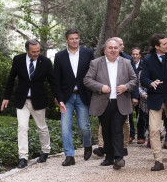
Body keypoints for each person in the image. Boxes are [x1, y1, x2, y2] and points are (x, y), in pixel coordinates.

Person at [1, 39, 66, 168]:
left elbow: (53, 82)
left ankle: (46, 151)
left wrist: (60, 99)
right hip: (22, 101)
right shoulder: (18, 59)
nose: (36, 54)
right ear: (26, 50)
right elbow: (11, 79)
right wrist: (6, 97)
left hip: (38, 100)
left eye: (38, 51)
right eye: (33, 52)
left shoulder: (46, 62)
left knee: (42, 127)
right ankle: (23, 157)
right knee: (22, 128)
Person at [83, 38, 138, 170]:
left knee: (117, 129)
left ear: (119, 49)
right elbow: (87, 80)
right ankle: (109, 157)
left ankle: (119, 157)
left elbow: (135, 79)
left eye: (115, 48)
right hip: (103, 102)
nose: (113, 50)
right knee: (106, 131)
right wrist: (101, 87)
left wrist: (126, 87)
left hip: (121, 101)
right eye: (110, 48)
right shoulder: (96, 63)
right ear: (105, 50)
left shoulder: (126, 62)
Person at [140, 33, 167, 171]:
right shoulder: (147, 59)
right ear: (156, 47)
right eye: (164, 44)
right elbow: (143, 78)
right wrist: (150, 83)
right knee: (154, 130)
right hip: (155, 99)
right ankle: (158, 161)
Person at [54, 29, 94, 166]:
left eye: (76, 38)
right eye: (71, 39)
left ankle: (88, 145)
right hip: (66, 98)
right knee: (65, 127)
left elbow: (93, 73)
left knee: (84, 126)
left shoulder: (88, 53)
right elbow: (56, 80)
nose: (75, 41)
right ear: (66, 40)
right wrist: (59, 98)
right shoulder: (59, 56)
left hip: (83, 95)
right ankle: (69, 156)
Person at [131, 47, 147, 144]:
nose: (135, 56)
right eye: (133, 54)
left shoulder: (143, 65)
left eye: (137, 54)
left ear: (140, 55)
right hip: (131, 92)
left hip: (141, 93)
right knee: (129, 115)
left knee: (141, 115)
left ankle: (141, 136)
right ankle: (131, 135)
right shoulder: (129, 63)